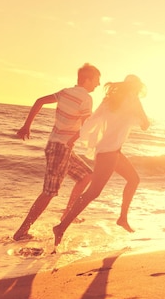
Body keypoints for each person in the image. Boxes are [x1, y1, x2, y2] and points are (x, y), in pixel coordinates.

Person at [53, 74, 150, 247]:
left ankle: (122, 218)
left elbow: (91, 121)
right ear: (134, 87)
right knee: (93, 193)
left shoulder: (109, 100)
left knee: (134, 179)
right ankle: (61, 227)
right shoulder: (133, 100)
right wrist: (140, 117)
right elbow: (145, 123)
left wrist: (75, 138)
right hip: (110, 153)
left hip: (109, 151)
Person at [13, 63, 101, 241]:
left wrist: (26, 126)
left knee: (86, 176)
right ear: (88, 79)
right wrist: (77, 139)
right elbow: (85, 127)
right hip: (60, 147)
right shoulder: (85, 98)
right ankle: (21, 232)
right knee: (49, 192)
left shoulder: (65, 92)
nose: (98, 85)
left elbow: (39, 101)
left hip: (58, 146)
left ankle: (67, 215)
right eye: (97, 80)